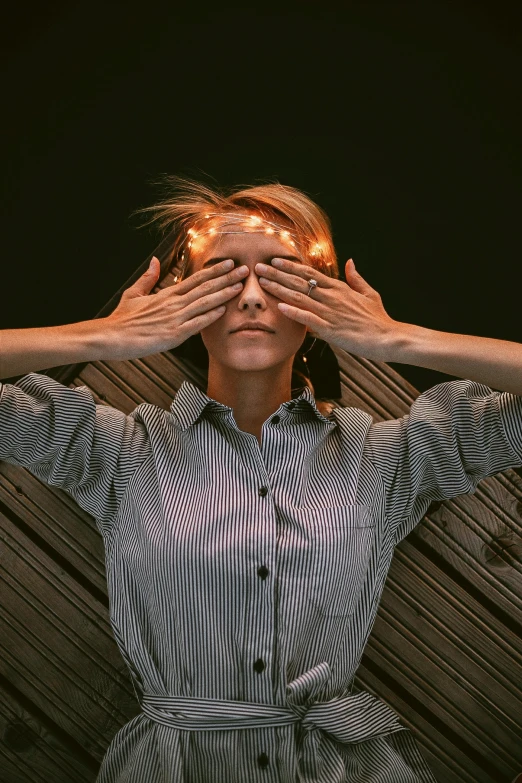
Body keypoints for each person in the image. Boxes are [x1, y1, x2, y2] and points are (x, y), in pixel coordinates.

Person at [1, 176, 521, 783]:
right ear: (182, 302)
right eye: (222, 276)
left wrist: (400, 338)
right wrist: (106, 336)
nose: (250, 297)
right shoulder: (117, 454)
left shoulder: (382, 462)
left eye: (279, 275)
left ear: (323, 301)